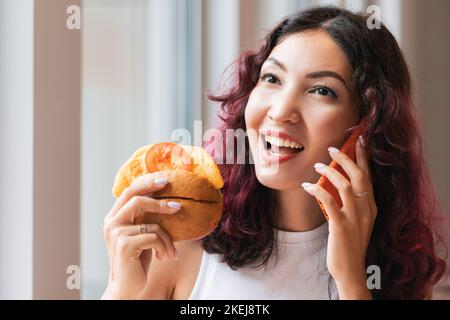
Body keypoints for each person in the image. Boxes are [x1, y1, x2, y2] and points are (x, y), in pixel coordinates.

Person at [101, 6, 447, 300]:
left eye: (322, 90)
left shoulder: (395, 268)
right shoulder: (183, 243)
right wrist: (120, 289)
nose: (281, 111)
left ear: (366, 124)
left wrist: (352, 281)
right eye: (272, 79)